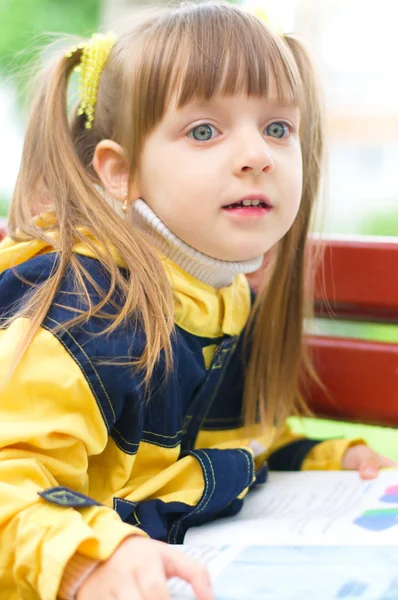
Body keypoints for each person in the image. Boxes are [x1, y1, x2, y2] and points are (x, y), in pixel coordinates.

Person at [0, 2, 395, 599]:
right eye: (204, 131)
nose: (256, 155)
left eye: (277, 128)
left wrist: (320, 458)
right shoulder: (83, 308)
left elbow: (219, 436)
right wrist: (89, 561)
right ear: (119, 171)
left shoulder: (223, 295)